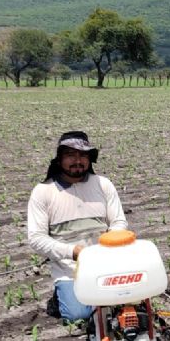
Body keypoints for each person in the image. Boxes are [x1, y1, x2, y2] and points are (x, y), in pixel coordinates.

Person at [28, 131, 128, 321]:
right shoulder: (43, 192)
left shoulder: (103, 184)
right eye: (70, 155)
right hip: (69, 269)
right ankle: (61, 297)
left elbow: (119, 222)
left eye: (83, 155)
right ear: (59, 159)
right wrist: (73, 252)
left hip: (105, 263)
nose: (78, 160)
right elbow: (36, 239)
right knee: (80, 315)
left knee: (129, 303)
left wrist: (108, 244)